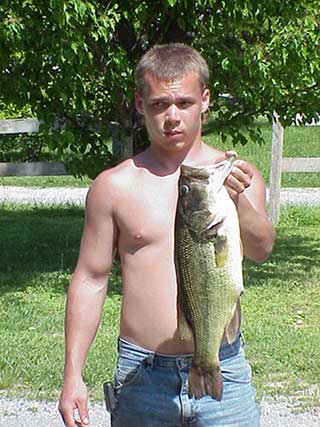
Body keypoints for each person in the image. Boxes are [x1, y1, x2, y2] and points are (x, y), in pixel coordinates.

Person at [58, 43, 275, 427]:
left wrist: (238, 201)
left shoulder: (238, 174)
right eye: (159, 105)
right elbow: (90, 279)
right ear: (141, 105)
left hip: (224, 368)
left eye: (184, 103)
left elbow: (261, 249)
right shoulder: (114, 186)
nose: (172, 117)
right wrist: (72, 375)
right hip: (142, 375)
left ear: (205, 101)